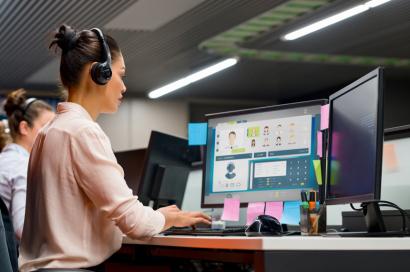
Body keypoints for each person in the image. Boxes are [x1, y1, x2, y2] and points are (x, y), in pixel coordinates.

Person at [19, 25, 210, 272]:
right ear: (99, 73)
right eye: (121, 74)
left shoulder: (50, 132)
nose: (124, 87)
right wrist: (169, 217)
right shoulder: (83, 131)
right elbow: (135, 222)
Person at [0, 89, 55, 240]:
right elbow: (23, 228)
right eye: (46, 127)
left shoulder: (5, 159)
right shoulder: (22, 165)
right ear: (24, 128)